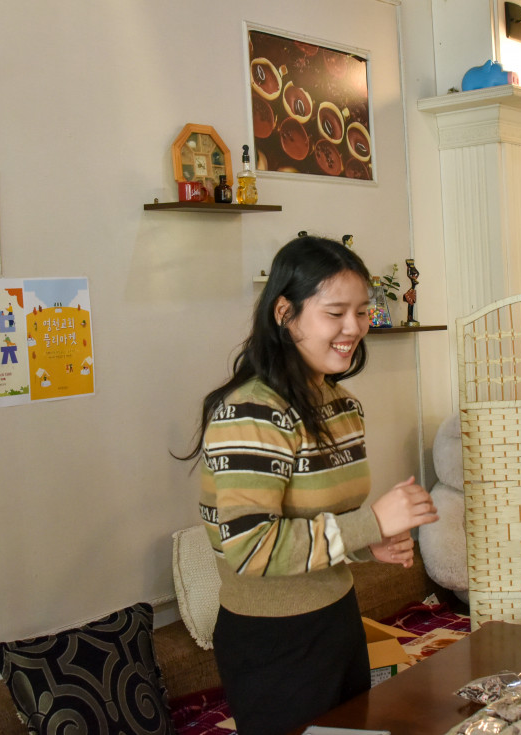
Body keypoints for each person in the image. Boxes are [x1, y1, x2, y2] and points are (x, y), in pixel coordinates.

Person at [175, 235, 439, 735]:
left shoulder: (342, 406)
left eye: (361, 312)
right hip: (272, 640)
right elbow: (251, 550)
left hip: (337, 618)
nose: (353, 328)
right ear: (284, 313)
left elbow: (321, 522)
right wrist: (373, 522)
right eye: (335, 313)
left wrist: (368, 545)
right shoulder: (252, 411)